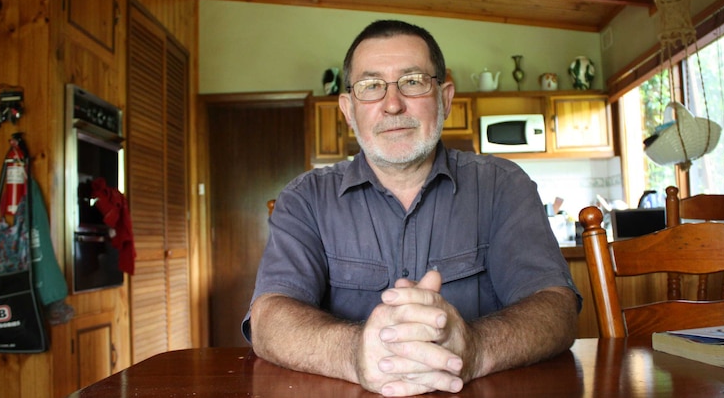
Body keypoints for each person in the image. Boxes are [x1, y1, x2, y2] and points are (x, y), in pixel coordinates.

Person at [242, 20, 580, 397]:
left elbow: (557, 309)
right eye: (371, 87)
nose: (392, 104)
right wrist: (354, 353)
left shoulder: (504, 185)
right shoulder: (303, 198)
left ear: (445, 98)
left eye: (413, 80)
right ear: (349, 110)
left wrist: (475, 347)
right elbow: (269, 319)